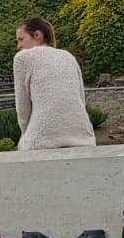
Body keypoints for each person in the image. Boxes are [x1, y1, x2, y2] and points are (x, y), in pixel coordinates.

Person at [12, 17, 94, 151]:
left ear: (37, 35)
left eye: (21, 39)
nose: (19, 46)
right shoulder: (69, 57)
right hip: (83, 138)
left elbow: (23, 108)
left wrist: (25, 134)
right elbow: (81, 100)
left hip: (41, 141)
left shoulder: (23, 58)